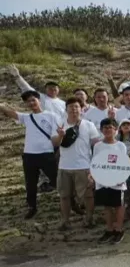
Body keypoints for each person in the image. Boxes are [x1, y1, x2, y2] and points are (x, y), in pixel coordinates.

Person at [0, 91, 61, 218]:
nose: (31, 103)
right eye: (28, 101)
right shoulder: (27, 117)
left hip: (46, 154)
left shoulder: (51, 116)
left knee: (57, 180)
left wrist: (58, 140)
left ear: (39, 100)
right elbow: (11, 113)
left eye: (33, 100)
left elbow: (56, 137)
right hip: (29, 155)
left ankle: (70, 202)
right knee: (30, 183)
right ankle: (32, 206)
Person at [52, 97, 101, 230]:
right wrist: (61, 135)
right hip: (64, 166)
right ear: (66, 109)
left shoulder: (88, 125)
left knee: (88, 195)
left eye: (77, 107)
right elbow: (55, 143)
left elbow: (96, 144)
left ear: (82, 109)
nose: (74, 110)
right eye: (71, 107)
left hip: (84, 166)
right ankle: (65, 221)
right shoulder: (59, 124)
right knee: (64, 196)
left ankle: (89, 219)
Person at [93, 118, 128, 244]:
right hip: (102, 181)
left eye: (111, 127)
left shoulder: (121, 146)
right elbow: (95, 162)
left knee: (119, 205)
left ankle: (119, 229)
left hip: (117, 182)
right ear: (101, 130)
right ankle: (109, 229)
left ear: (116, 130)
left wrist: (121, 178)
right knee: (106, 206)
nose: (108, 130)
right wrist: (94, 176)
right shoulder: (97, 146)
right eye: (105, 128)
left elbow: (124, 163)